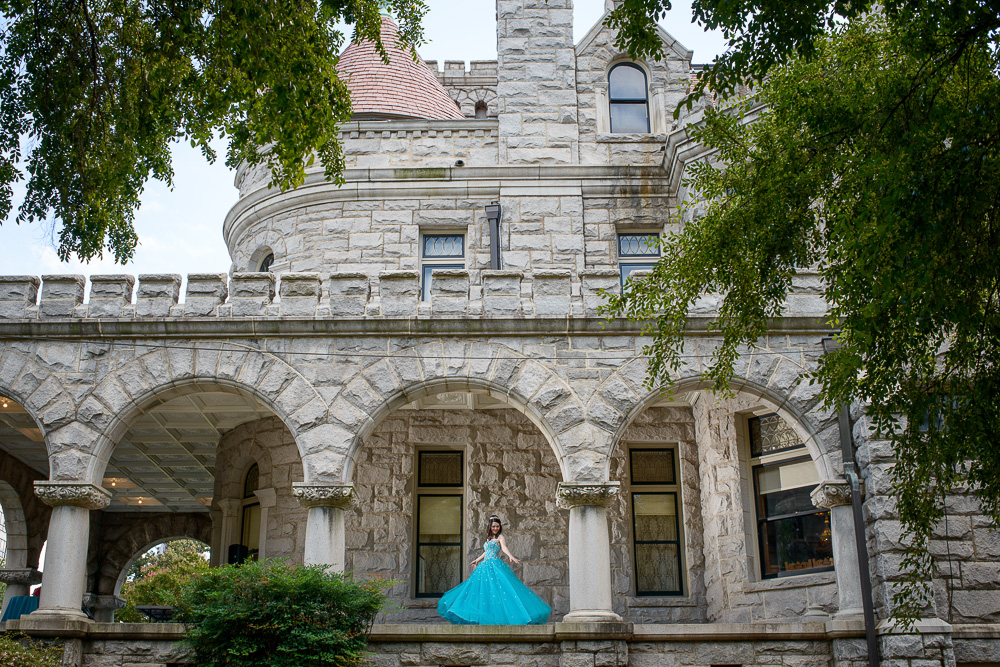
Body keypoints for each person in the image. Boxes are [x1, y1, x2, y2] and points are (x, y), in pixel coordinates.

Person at [437, 515, 551, 625]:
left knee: (500, 590)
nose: (495, 528)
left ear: (500, 527)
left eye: (497, 526)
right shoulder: (489, 538)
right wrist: (477, 560)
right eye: (493, 526)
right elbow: (486, 552)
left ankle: (506, 618)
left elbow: (504, 547)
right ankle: (486, 617)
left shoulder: (500, 537)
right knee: (483, 591)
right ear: (490, 527)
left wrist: (510, 556)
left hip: (494, 565)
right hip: (485, 565)